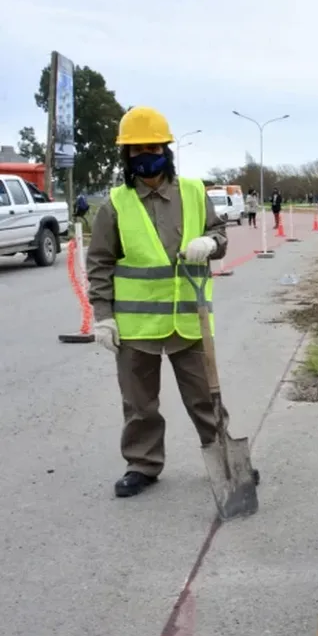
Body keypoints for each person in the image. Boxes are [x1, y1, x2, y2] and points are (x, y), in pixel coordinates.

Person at [86, 106, 241, 498]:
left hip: (190, 321)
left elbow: (219, 235)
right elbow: (100, 263)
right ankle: (142, 464)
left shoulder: (192, 191)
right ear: (126, 156)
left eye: (150, 146)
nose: (144, 156)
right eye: (135, 150)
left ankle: (226, 460)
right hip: (137, 327)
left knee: (206, 399)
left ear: (166, 148)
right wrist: (103, 317)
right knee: (139, 406)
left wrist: (211, 243)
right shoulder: (115, 204)